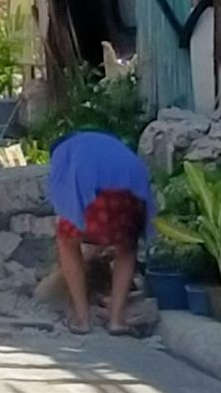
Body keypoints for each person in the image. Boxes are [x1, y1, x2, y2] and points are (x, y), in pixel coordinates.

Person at [48, 130, 155, 335]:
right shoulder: (107, 142)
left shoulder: (62, 151)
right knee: (127, 247)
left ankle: (82, 319)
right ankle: (116, 320)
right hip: (131, 197)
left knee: (66, 240)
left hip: (96, 199)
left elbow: (63, 197)